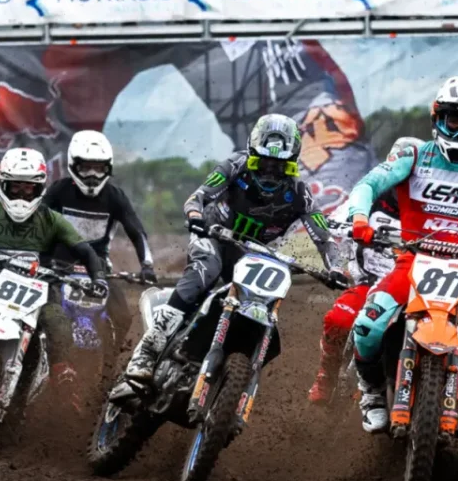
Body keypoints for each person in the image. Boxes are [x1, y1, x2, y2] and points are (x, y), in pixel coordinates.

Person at [340, 79, 458, 437]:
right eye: (453, 120)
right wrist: (360, 217)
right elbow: (368, 184)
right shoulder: (414, 157)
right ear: (438, 118)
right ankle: (372, 394)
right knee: (368, 323)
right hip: (412, 261)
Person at [121, 114, 331, 386]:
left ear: (291, 164)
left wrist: (335, 267)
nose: (269, 172)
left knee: (261, 300)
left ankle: (227, 362)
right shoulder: (235, 165)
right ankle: (147, 351)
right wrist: (195, 215)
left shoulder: (299, 192)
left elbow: (323, 236)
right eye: (263, 163)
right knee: (206, 270)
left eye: (279, 166)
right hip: (213, 237)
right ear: (252, 154)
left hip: (250, 255)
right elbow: (198, 197)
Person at [0, 147, 105, 382]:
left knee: (59, 322)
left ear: (39, 188)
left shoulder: (51, 219)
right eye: (15, 187)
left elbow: (85, 250)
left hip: (40, 297)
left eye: (28, 188)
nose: (21, 195)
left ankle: (61, 379)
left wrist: (98, 278)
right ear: (3, 184)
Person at [308, 141, 410, 404]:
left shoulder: (428, 209)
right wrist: (348, 227)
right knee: (339, 320)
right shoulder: (368, 200)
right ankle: (327, 375)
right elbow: (333, 222)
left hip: (418, 290)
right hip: (370, 284)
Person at [43, 131, 156, 320]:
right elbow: (36, 222)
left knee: (123, 317)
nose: (93, 175)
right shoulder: (59, 190)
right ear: (73, 165)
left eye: (98, 168)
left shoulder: (115, 197)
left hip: (99, 271)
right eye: (86, 168)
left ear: (108, 168)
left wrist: (147, 266)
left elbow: (136, 231)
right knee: (45, 313)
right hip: (58, 269)